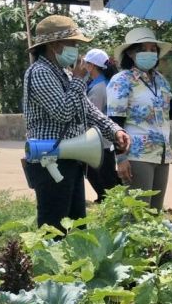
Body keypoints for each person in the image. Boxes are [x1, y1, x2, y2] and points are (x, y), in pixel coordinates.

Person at [22, 15, 129, 231]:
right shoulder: (40, 72)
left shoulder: (64, 74)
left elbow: (87, 110)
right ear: (53, 45)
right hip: (51, 161)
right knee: (54, 226)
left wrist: (114, 130)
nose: (76, 50)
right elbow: (63, 112)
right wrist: (79, 80)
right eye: (71, 43)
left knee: (77, 225)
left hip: (71, 157)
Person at [106, 27, 172, 212]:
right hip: (136, 155)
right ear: (130, 53)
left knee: (155, 214)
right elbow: (115, 122)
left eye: (153, 49)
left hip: (161, 154)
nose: (150, 53)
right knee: (138, 214)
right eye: (143, 49)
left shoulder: (159, 80)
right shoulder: (122, 80)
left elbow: (170, 113)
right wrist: (120, 158)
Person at [80, 48, 121, 203]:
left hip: (99, 141)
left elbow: (92, 115)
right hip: (103, 140)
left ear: (91, 66)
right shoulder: (102, 82)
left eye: (85, 63)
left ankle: (107, 200)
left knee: (101, 175)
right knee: (104, 174)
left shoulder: (99, 88)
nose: (82, 65)